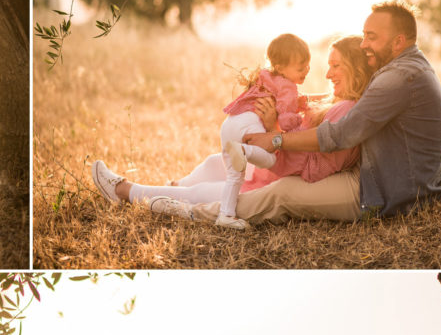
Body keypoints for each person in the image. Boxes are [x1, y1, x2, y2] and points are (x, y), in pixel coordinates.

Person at [239, 0, 441, 220]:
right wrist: (296, 99)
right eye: (364, 35)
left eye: (372, 37)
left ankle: (206, 212)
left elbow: (340, 134)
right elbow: (360, 99)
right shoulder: (410, 66)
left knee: (281, 192)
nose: (363, 44)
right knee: (261, 178)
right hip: (389, 180)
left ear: (398, 42)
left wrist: (276, 139)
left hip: (387, 192)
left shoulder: (399, 77)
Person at [94, 34, 311, 230]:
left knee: (200, 193)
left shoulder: (330, 122)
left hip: (267, 179)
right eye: (303, 67)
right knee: (212, 163)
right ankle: (172, 186)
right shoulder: (294, 89)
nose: (312, 71)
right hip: (261, 162)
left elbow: (291, 142)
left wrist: (273, 126)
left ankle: (123, 190)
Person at [146, 36, 372, 224]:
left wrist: (273, 127)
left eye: (336, 66)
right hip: (275, 164)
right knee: (213, 163)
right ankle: (166, 188)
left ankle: (130, 192)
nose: (327, 75)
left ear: (356, 69)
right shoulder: (336, 101)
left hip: (280, 170)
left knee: (205, 191)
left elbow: (311, 155)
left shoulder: (347, 109)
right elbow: (300, 104)